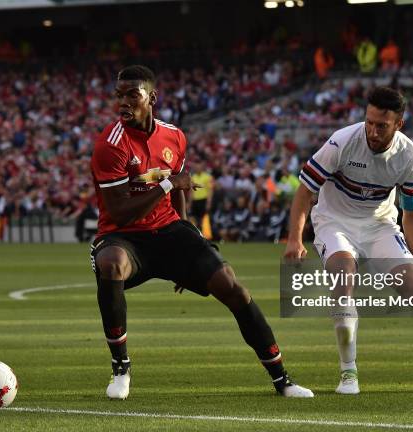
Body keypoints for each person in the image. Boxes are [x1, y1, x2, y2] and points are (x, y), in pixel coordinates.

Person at [90, 65, 313, 400]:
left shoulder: (174, 136)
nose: (122, 101)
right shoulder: (111, 145)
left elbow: (181, 188)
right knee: (110, 263)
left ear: (152, 98)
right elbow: (121, 212)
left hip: (168, 230)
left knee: (232, 287)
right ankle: (121, 367)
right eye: (118, 94)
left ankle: (282, 379)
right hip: (124, 236)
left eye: (131, 94)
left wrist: (184, 233)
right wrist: (167, 183)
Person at [284, 86, 413, 395]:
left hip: (379, 225)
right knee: (343, 276)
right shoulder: (341, 142)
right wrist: (294, 239)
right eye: (369, 121)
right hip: (334, 222)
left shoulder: (409, 156)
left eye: (381, 125)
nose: (372, 130)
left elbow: (411, 215)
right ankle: (348, 375)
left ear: (399, 124)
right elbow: (305, 191)